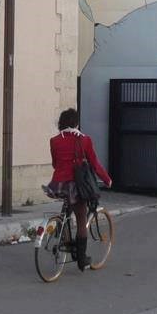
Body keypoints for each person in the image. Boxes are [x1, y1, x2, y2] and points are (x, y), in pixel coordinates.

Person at [45, 108, 112, 271]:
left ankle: (62, 231)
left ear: (60, 123)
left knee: (67, 207)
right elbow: (95, 164)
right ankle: (81, 259)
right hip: (75, 186)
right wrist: (107, 179)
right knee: (81, 219)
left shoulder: (54, 141)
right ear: (76, 123)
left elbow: (55, 164)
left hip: (56, 185)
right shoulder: (85, 140)